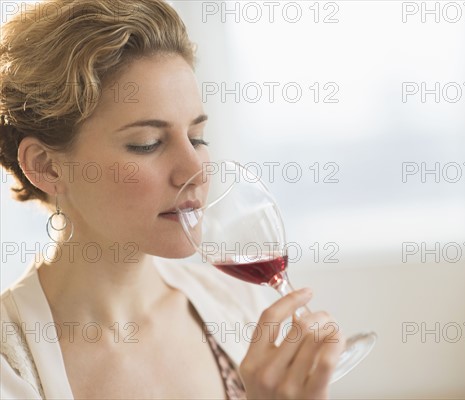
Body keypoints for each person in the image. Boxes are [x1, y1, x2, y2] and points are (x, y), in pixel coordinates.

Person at [0, 1, 345, 398]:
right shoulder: (11, 371)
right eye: (147, 144)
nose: (196, 170)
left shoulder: (239, 302)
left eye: (197, 138)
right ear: (46, 166)